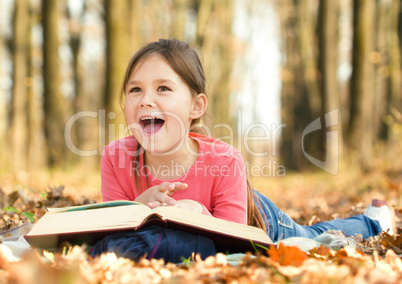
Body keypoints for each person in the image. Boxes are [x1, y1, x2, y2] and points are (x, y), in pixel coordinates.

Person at [99, 39, 394, 256]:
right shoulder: (116, 158)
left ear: (196, 106)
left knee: (313, 236)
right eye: (135, 89)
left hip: (257, 217)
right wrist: (141, 203)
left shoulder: (225, 161)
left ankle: (371, 221)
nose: (145, 100)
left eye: (163, 88)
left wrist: (198, 213)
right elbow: (114, 231)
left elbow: (235, 243)